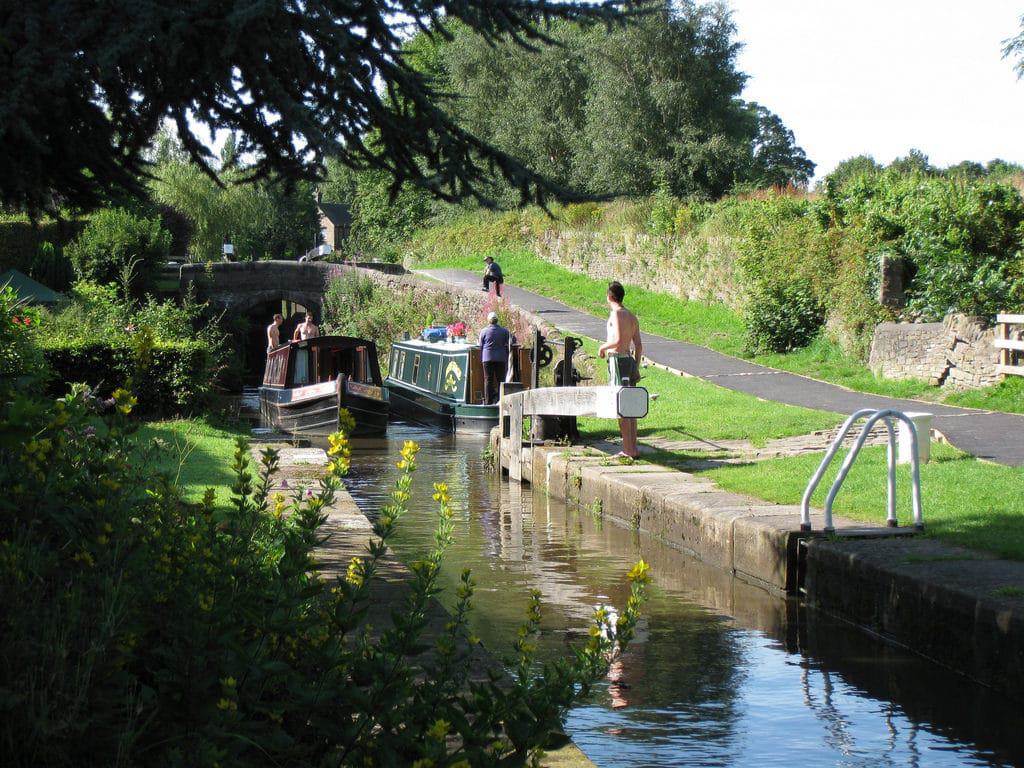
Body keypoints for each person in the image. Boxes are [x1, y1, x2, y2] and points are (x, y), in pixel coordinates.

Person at [598, 281, 642, 459]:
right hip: (629, 362)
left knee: (620, 407)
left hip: (617, 362)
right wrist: (636, 367)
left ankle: (627, 450)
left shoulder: (616, 314)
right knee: (630, 406)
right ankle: (633, 448)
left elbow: (616, 340)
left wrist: (602, 347)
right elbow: (638, 346)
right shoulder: (632, 316)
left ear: (609, 296)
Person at [479, 311, 511, 405]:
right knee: (501, 380)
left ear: (488, 321)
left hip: (487, 358)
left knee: (488, 380)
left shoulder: (484, 331)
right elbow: (511, 341)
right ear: (497, 321)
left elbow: (480, 345)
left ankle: (488, 402)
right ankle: (501, 401)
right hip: (500, 358)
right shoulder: (504, 331)